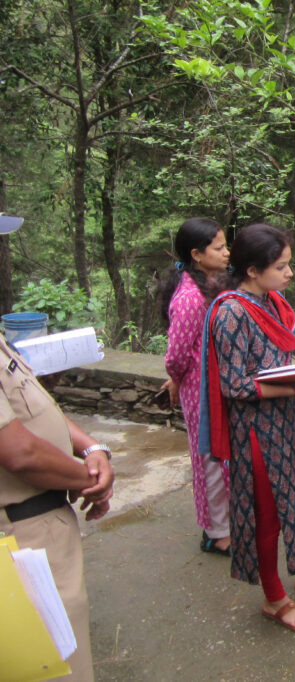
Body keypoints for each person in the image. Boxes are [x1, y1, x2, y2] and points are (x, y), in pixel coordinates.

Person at [198, 223, 295, 633]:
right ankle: (273, 598)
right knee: (266, 513)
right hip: (256, 431)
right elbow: (234, 385)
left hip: (285, 419)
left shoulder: (271, 302)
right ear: (252, 270)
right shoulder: (232, 312)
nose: (289, 274)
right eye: (280, 266)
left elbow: (276, 363)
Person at [0, 217, 115, 682]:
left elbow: (29, 407)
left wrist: (92, 447)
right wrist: (90, 479)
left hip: (43, 523)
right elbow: (19, 452)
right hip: (21, 535)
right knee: (54, 664)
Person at [158, 217, 232, 555]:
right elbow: (176, 355)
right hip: (200, 391)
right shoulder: (189, 298)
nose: (226, 253)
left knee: (220, 456)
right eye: (219, 248)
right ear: (197, 255)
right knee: (210, 458)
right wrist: (176, 380)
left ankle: (225, 523)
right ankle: (218, 533)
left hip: (215, 386)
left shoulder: (213, 285)